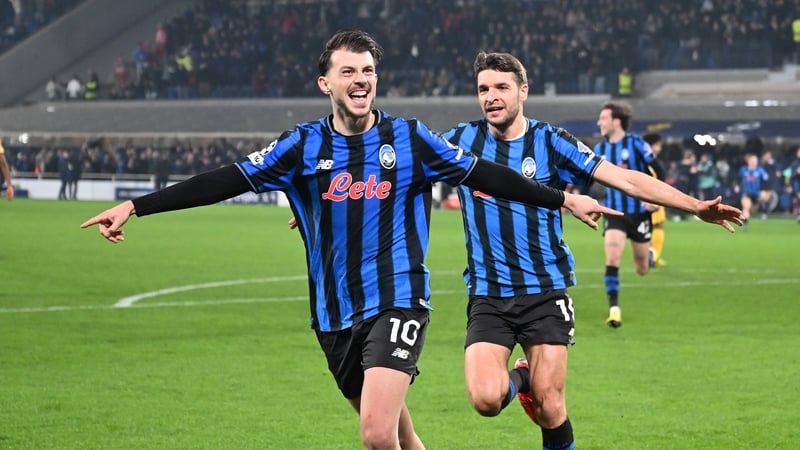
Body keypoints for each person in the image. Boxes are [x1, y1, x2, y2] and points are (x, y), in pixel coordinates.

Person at [80, 30, 618, 450]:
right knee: (402, 437)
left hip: (398, 300)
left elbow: (486, 174)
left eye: (368, 71)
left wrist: (560, 198)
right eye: (349, 71)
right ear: (326, 84)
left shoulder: (409, 138)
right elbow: (225, 180)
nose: (361, 80)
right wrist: (137, 205)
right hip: (333, 315)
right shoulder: (301, 146)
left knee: (377, 435)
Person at [441, 53, 743, 449]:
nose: (491, 97)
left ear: (523, 91)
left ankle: (538, 387)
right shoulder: (458, 142)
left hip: (544, 290)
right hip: (488, 293)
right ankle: (524, 377)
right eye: (483, 89)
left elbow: (625, 179)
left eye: (501, 87)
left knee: (550, 407)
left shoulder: (550, 141)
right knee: (486, 400)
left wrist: (695, 206)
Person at [595, 101, 666, 328]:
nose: (599, 122)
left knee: (642, 269)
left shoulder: (636, 143)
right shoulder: (599, 150)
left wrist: (655, 199)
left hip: (639, 214)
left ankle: (651, 256)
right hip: (615, 212)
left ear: (616, 121)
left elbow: (660, 171)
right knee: (612, 258)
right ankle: (614, 310)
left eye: (603, 118)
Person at [642, 133, 667, 267]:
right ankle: (653, 254)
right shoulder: (650, 161)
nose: (660, 148)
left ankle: (652, 255)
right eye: (657, 145)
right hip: (653, 198)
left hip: (646, 198)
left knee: (648, 227)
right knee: (657, 226)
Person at [736, 153, 770, 229]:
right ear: (749, 161)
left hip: (757, 193)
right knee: (746, 207)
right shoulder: (743, 170)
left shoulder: (760, 170)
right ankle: (745, 223)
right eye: (752, 160)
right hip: (747, 193)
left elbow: (766, 180)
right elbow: (738, 179)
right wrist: (737, 186)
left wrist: (765, 191)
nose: (754, 162)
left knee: (765, 196)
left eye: (755, 160)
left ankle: (764, 212)